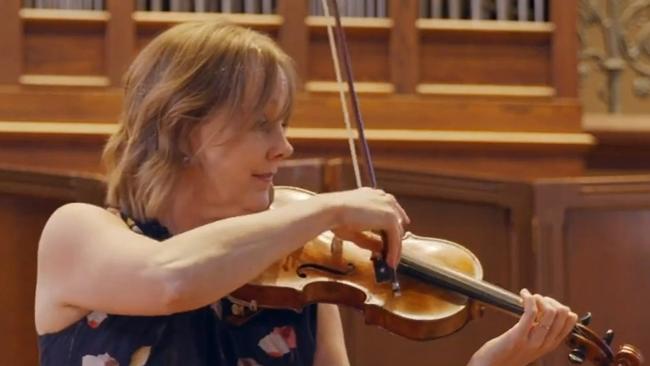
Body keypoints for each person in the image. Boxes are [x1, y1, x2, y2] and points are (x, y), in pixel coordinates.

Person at [35, 21, 577, 366]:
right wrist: (329, 206)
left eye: (284, 124)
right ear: (182, 129)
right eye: (261, 125)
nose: (284, 147)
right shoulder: (77, 232)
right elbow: (171, 280)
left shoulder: (301, 278)